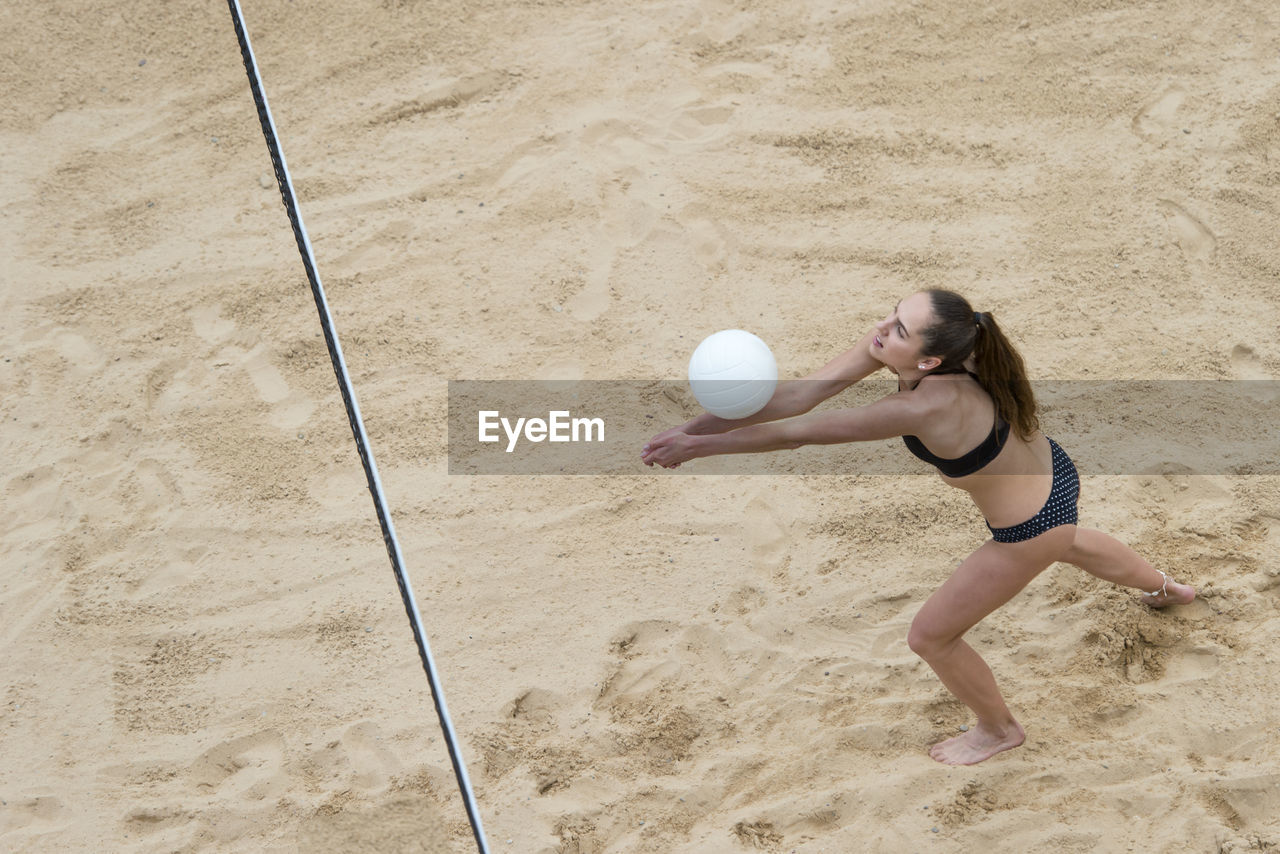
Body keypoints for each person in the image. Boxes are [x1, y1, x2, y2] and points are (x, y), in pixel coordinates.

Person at [640, 289, 1195, 766]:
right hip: (1056, 476)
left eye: (899, 328)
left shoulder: (927, 406)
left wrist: (698, 448)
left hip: (1029, 527)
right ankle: (1166, 589)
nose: (882, 328)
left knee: (932, 637)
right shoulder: (939, 348)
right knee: (1070, 540)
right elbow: (794, 396)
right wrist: (688, 431)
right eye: (892, 314)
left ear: (929, 361)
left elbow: (799, 432)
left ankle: (1000, 731)